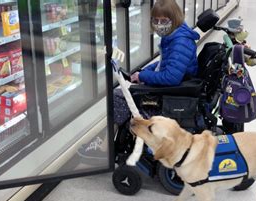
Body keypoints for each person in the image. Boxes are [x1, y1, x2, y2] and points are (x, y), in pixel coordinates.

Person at [78, 0, 200, 159]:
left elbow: (172, 77)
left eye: (164, 21)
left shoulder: (180, 41)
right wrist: (144, 71)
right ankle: (107, 142)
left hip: (173, 93)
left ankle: (105, 148)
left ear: (174, 18)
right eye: (155, 20)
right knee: (123, 92)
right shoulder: (175, 35)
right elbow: (165, 63)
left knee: (118, 96)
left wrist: (142, 76)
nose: (159, 24)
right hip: (177, 87)